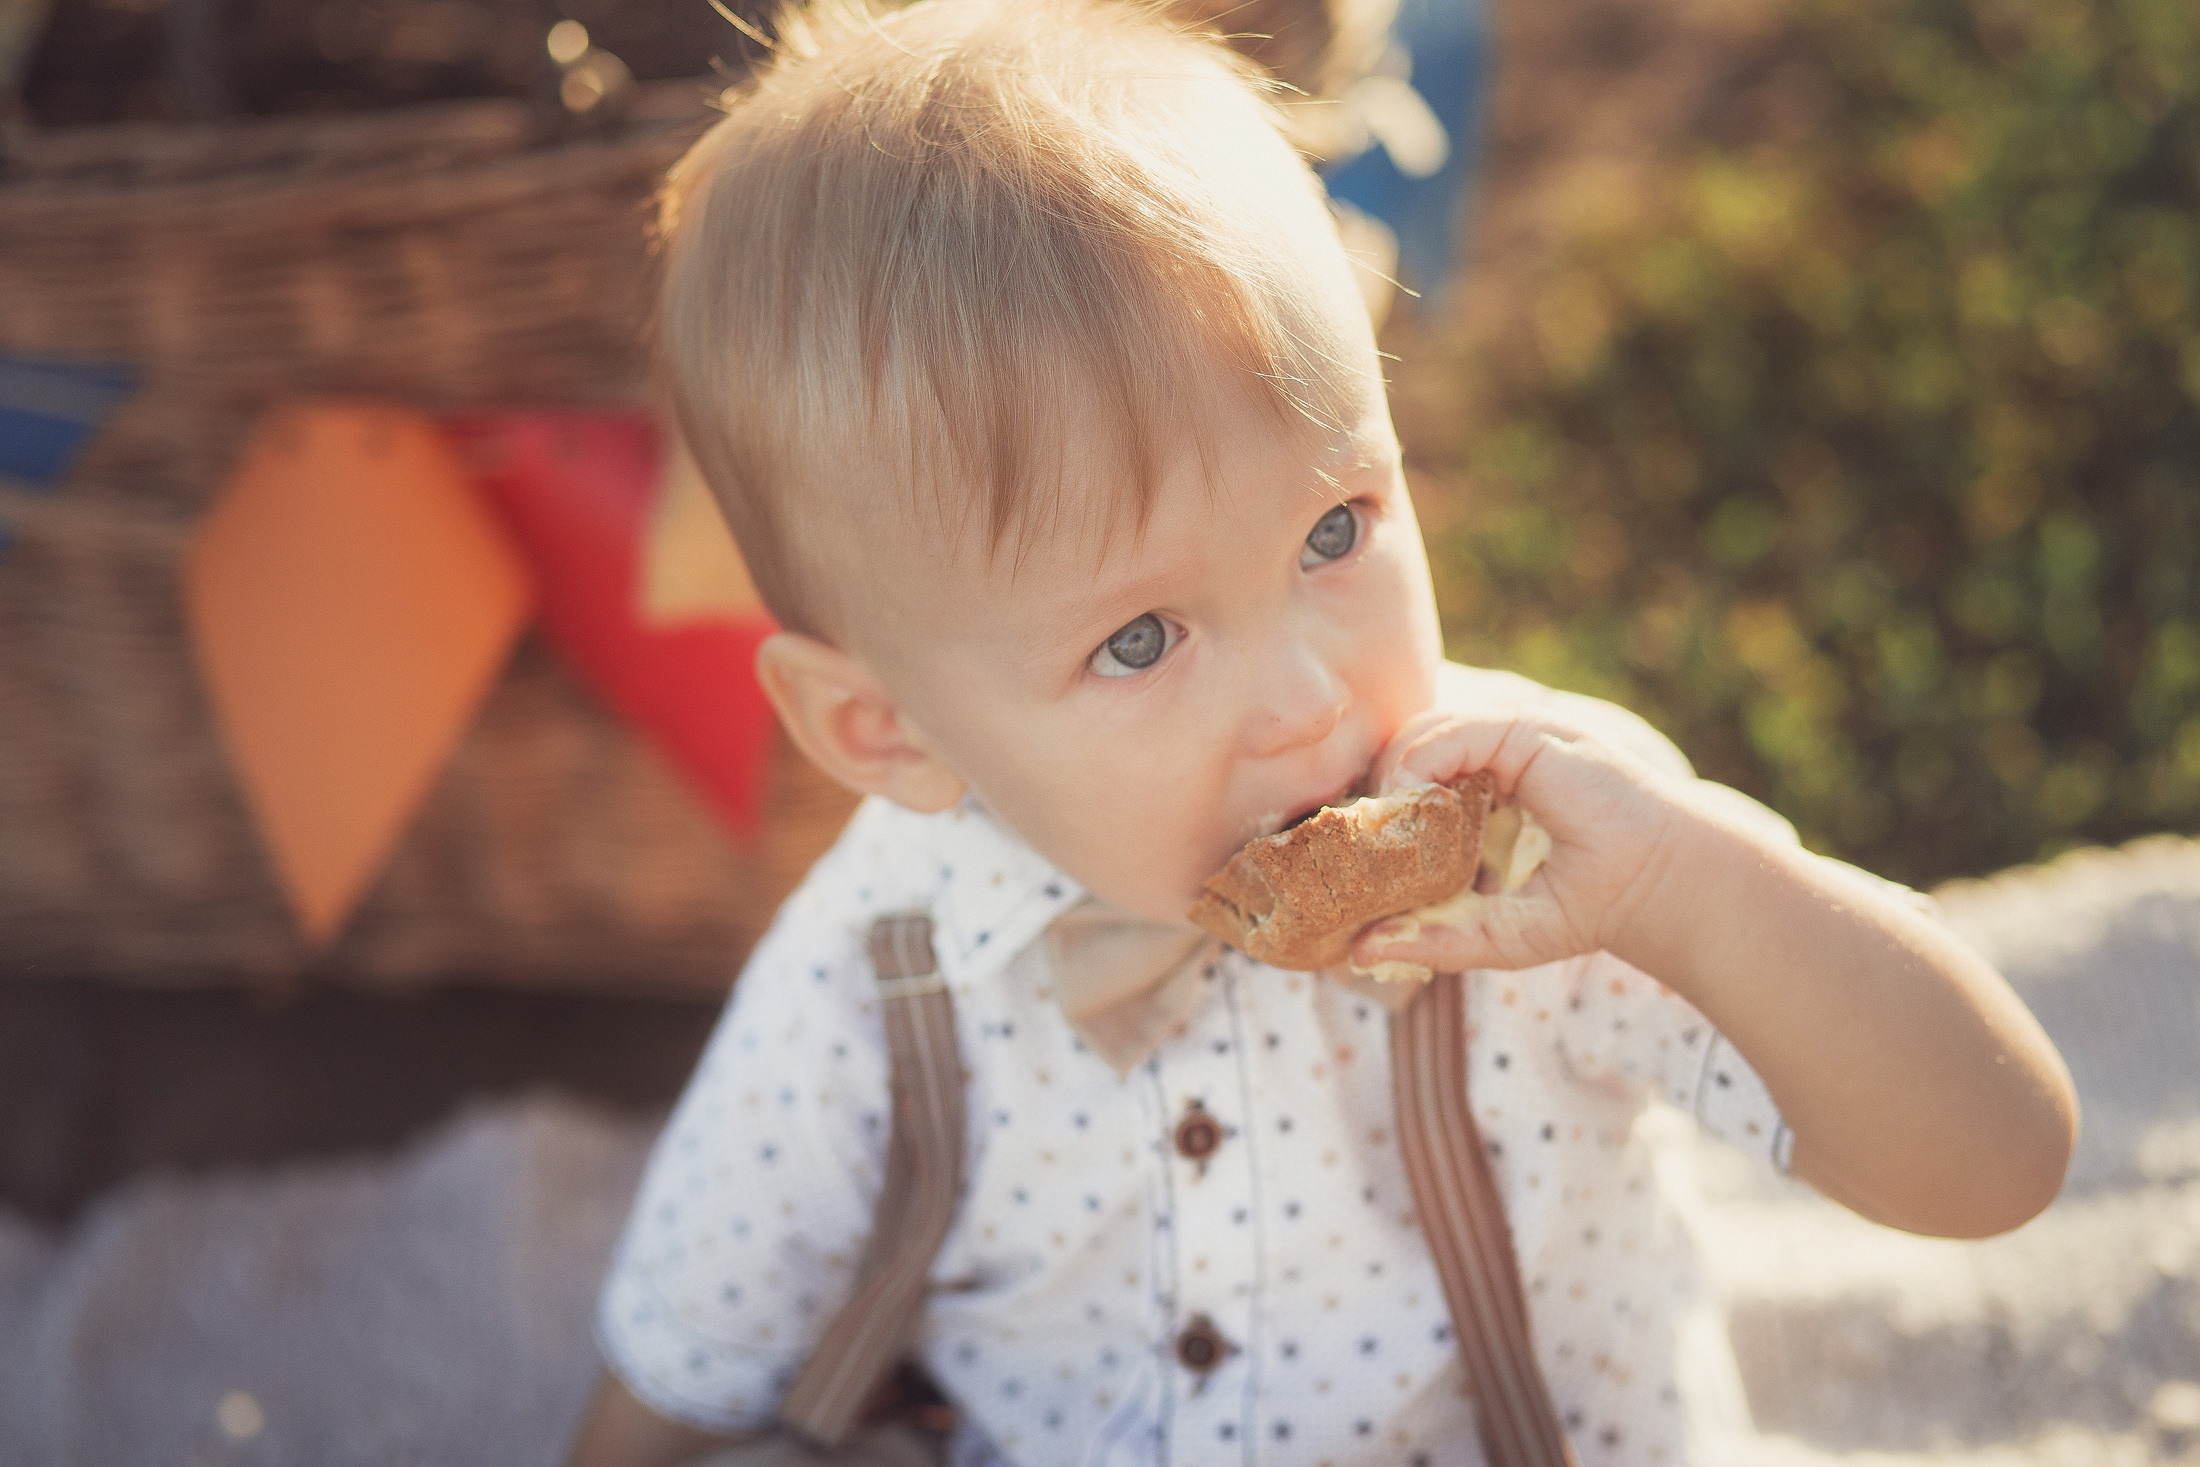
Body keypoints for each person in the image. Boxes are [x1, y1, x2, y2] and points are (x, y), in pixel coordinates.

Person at [564, 2, 2076, 1463]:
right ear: (884, 729)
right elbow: (697, 1331)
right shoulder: (879, 959)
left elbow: (1997, 1165)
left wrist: (1700, 889)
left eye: (1336, 527)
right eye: (1138, 640)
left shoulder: (1563, 850)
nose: (1306, 698)